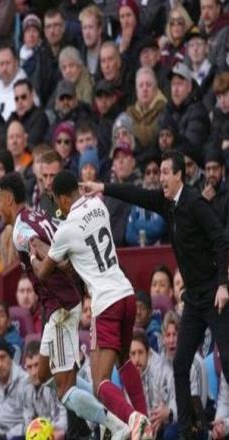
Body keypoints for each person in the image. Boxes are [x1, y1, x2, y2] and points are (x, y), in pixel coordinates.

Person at [80, 150, 229, 439]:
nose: (160, 178)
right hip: (193, 299)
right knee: (181, 363)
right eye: (159, 172)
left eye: (165, 172)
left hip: (214, 294)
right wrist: (102, 187)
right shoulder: (166, 203)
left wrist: (224, 284)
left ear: (179, 175)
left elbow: (221, 241)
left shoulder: (195, 203)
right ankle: (187, 430)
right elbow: (135, 194)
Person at [0, 172, 133, 439]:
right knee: (44, 374)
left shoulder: (21, 229)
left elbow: (41, 248)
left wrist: (50, 264)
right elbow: (62, 233)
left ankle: (116, 424)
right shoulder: (38, 215)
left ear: (9, 199)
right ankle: (106, 411)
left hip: (60, 307)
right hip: (59, 305)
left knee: (64, 390)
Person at [30, 170, 153, 437]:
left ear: (63, 199)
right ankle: (145, 421)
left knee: (100, 384)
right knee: (124, 361)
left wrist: (33, 252)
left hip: (106, 303)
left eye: (58, 202)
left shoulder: (66, 230)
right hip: (126, 292)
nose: (59, 207)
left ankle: (133, 419)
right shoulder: (99, 206)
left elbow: (43, 271)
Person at [0, 337, 29, 438]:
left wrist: (7, 436)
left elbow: (29, 421)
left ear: (10, 358)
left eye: (3, 357)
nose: (0, 364)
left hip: (19, 436)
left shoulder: (25, 382)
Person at [23, 340, 67, 440]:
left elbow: (65, 422)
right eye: (29, 367)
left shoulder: (57, 381)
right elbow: (27, 425)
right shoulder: (26, 387)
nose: (34, 372)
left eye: (36, 365)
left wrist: (43, 429)